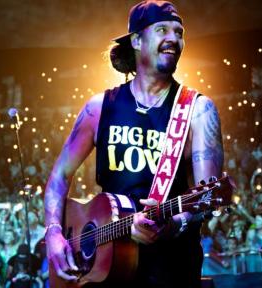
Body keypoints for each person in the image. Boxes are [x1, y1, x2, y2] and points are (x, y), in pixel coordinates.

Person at [44, 1, 225, 287]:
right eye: (162, 29)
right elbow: (60, 175)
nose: (173, 39)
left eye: (179, 32)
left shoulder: (198, 111)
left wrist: (172, 224)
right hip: (105, 273)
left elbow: (204, 201)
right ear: (137, 40)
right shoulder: (100, 107)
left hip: (171, 272)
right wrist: (53, 232)